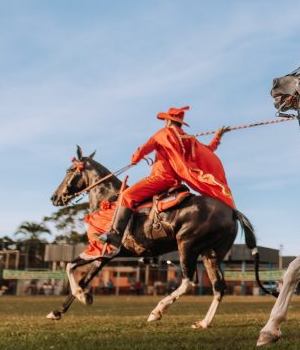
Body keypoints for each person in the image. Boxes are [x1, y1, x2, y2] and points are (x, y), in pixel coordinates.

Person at [98, 106, 234, 252]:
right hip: (176, 182)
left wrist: (135, 159)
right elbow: (207, 150)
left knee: (126, 195)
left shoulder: (161, 134)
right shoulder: (188, 139)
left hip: (160, 179)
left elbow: (143, 150)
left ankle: (115, 235)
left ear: (168, 122)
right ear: (180, 123)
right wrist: (218, 137)